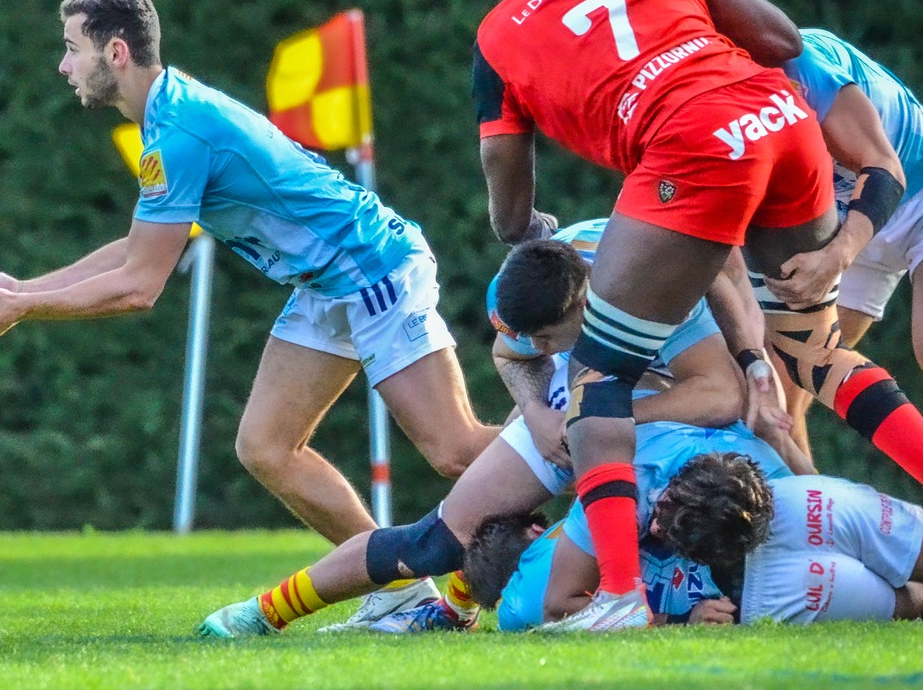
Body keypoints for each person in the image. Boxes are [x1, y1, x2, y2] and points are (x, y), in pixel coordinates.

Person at [472, 0, 923, 631]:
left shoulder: (501, 30)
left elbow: (504, 163)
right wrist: (756, 358)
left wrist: (520, 224)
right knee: (809, 351)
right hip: (781, 123)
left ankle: (622, 596)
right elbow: (781, 37)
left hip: (728, 153)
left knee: (601, 375)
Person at [0, 0, 498, 629]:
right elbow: (137, 248)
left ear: (116, 51)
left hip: (372, 267)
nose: (63, 65)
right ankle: (402, 590)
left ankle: (621, 477)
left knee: (455, 451)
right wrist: (26, 290)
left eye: (71, 49)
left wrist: (26, 311)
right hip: (327, 283)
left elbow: (138, 287)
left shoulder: (178, 130)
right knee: (267, 448)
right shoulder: (166, 118)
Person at [197, 225, 759, 638]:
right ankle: (264, 614)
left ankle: (647, 607)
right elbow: (510, 355)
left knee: (701, 510)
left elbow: (719, 394)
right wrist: (540, 413)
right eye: (528, 336)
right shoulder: (536, 288)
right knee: (439, 538)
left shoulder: (648, 287)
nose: (537, 349)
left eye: (546, 338)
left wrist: (603, 419)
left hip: (664, 422)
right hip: (577, 409)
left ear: (585, 301)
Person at [768, 29, 923, 514]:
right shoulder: (712, 101)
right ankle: (818, 530)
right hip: (851, 220)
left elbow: (885, 170)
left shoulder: (802, 62)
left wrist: (835, 256)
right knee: (784, 386)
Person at [468, 459, 923, 631]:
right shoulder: (595, 490)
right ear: (530, 529)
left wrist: (676, 620)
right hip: (795, 501)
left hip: (765, 589)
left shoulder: (525, 599)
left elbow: (557, 608)